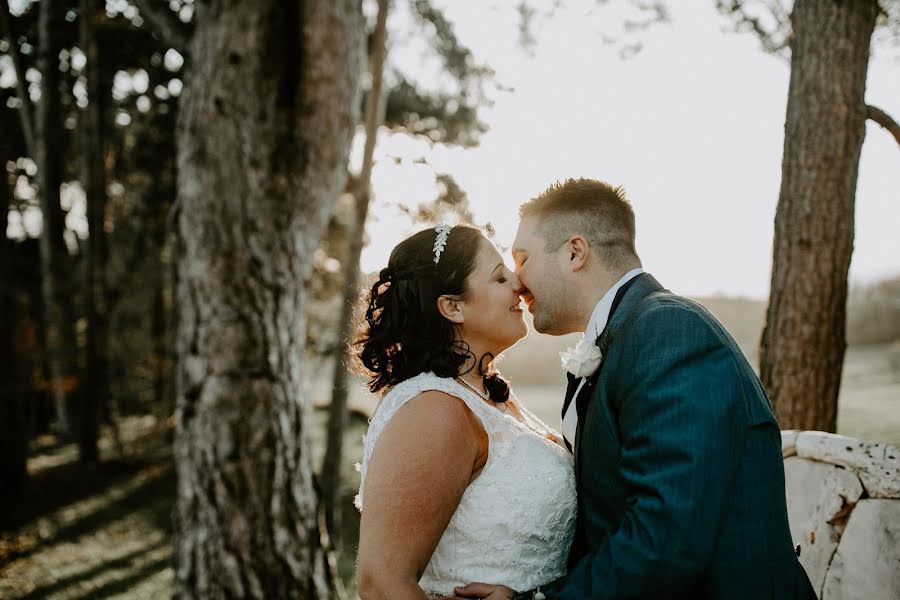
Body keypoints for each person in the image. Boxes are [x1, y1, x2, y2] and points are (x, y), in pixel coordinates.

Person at [453, 178, 816, 600]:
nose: (517, 281)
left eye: (523, 258)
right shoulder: (631, 336)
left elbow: (668, 535)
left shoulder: (670, 332)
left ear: (575, 252)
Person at [353, 224, 576, 599]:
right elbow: (382, 585)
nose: (518, 284)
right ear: (453, 307)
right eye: (499, 276)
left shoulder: (487, 396)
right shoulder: (433, 409)